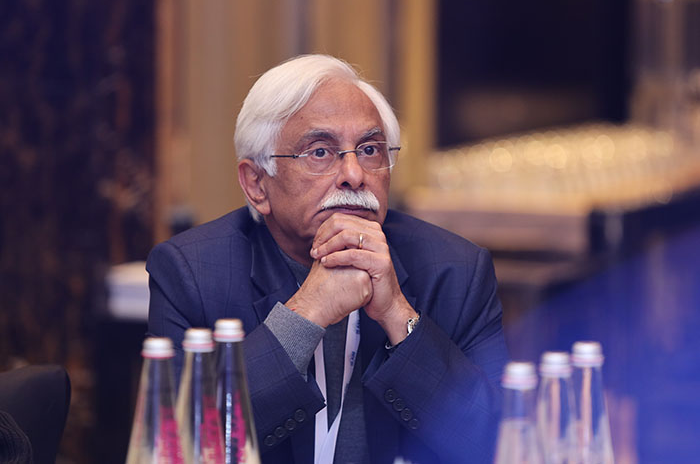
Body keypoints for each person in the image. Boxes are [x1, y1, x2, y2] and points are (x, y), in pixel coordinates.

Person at [147, 54, 509, 464]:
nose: (354, 174)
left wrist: (397, 315)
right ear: (256, 184)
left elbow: (498, 444)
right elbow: (185, 447)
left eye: (369, 150)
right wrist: (306, 312)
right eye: (320, 152)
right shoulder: (192, 272)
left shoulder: (456, 270)